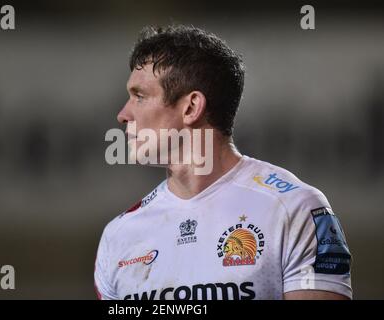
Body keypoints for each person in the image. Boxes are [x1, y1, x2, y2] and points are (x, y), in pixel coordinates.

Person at [94, 25, 352, 300]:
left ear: (191, 107)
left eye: (140, 96)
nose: (123, 114)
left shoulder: (294, 210)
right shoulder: (119, 236)